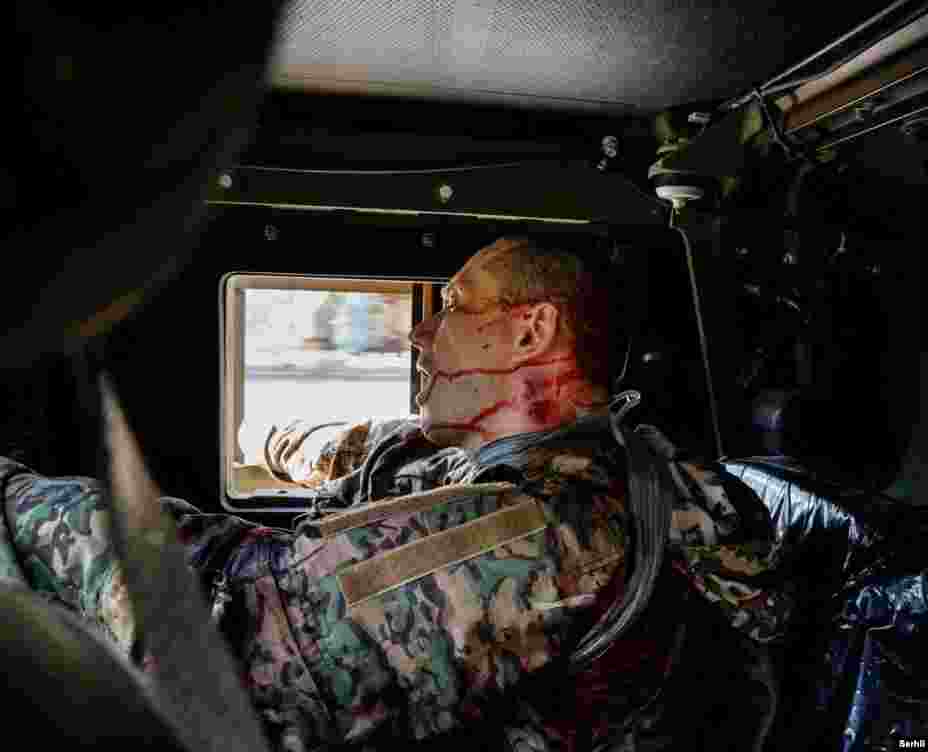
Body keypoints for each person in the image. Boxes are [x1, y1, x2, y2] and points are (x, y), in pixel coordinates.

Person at [1, 236, 791, 752]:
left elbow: (221, 628)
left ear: (530, 333)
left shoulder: (545, 527)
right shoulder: (577, 461)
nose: (419, 334)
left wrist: (13, 502)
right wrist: (275, 444)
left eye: (452, 306)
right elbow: (384, 452)